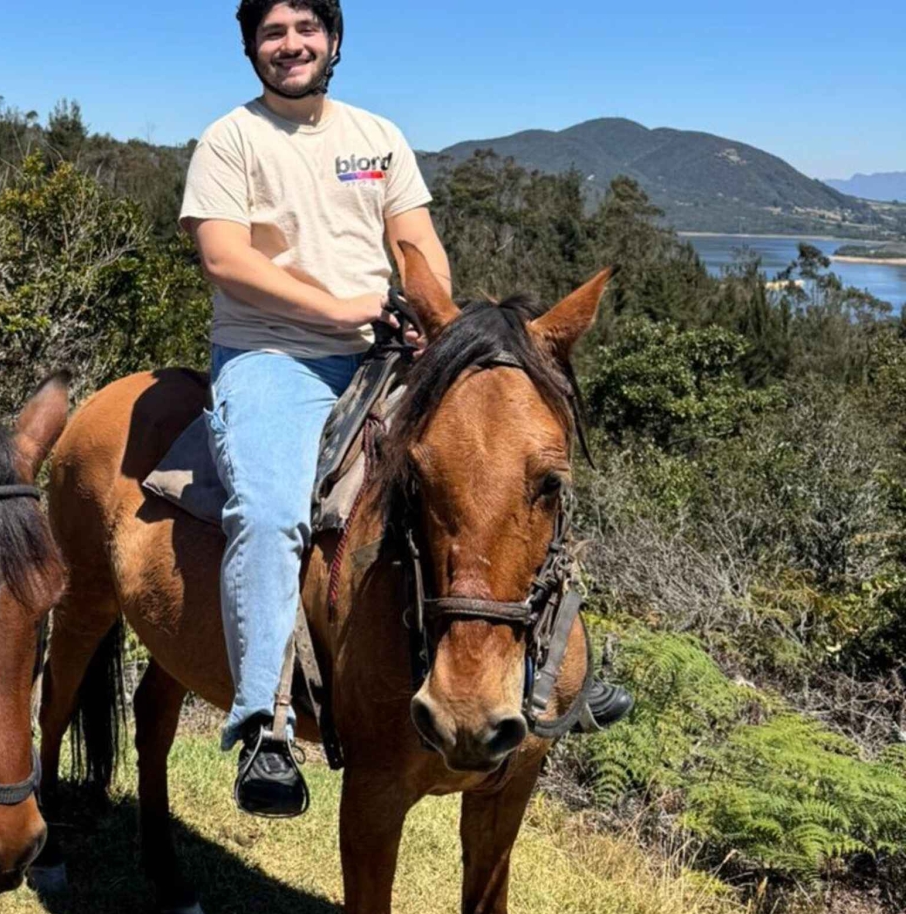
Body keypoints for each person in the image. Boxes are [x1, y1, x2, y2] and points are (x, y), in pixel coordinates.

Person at [180, 0, 632, 819]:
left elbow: (416, 244)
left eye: (305, 29)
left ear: (334, 40)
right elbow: (225, 260)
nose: (291, 46)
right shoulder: (230, 140)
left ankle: (552, 670)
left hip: (386, 344)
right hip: (271, 356)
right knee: (272, 509)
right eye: (273, 33)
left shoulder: (376, 136)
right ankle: (265, 722)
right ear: (252, 48)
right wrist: (342, 306)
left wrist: (439, 323)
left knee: (500, 471)